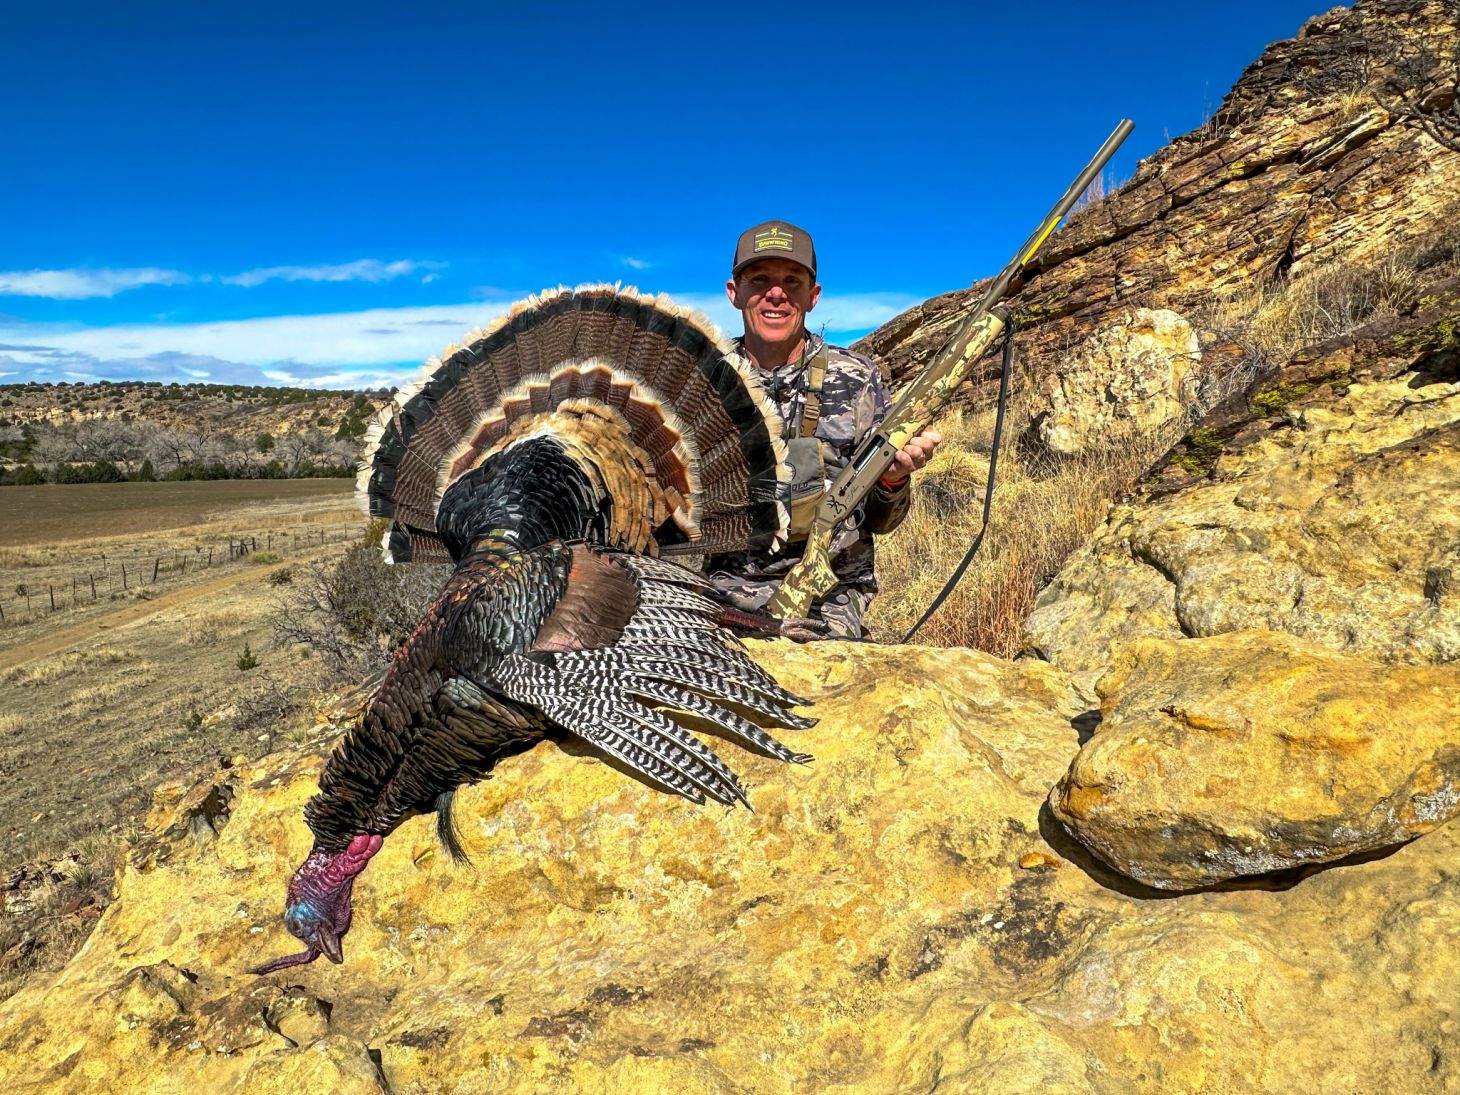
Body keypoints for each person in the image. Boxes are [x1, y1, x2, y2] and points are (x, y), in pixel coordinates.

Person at [705, 220, 942, 638]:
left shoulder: (857, 378)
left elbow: (882, 522)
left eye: (792, 282)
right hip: (721, 591)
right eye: (759, 280)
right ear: (733, 292)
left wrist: (893, 482)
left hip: (830, 589)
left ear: (813, 297)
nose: (775, 293)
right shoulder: (701, 381)